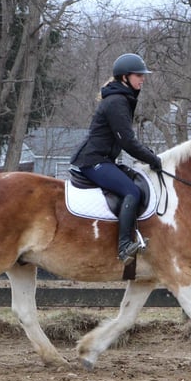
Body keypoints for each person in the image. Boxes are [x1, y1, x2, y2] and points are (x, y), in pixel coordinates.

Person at [70, 53, 163, 264]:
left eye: (143, 75)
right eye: (138, 75)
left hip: (103, 159)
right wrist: (152, 159)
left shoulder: (122, 99)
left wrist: (149, 154)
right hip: (93, 160)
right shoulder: (117, 101)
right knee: (131, 190)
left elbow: (125, 139)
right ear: (124, 78)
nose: (143, 79)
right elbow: (127, 142)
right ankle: (123, 247)